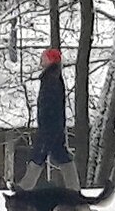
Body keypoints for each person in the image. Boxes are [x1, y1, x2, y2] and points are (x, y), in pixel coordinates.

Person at [16, 48, 80, 190]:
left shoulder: (51, 79)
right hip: (53, 126)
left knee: (39, 154)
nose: (41, 59)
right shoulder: (52, 77)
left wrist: (47, 127)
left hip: (49, 126)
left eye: (43, 57)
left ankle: (24, 188)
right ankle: (73, 188)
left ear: (50, 60)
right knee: (57, 155)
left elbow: (50, 106)